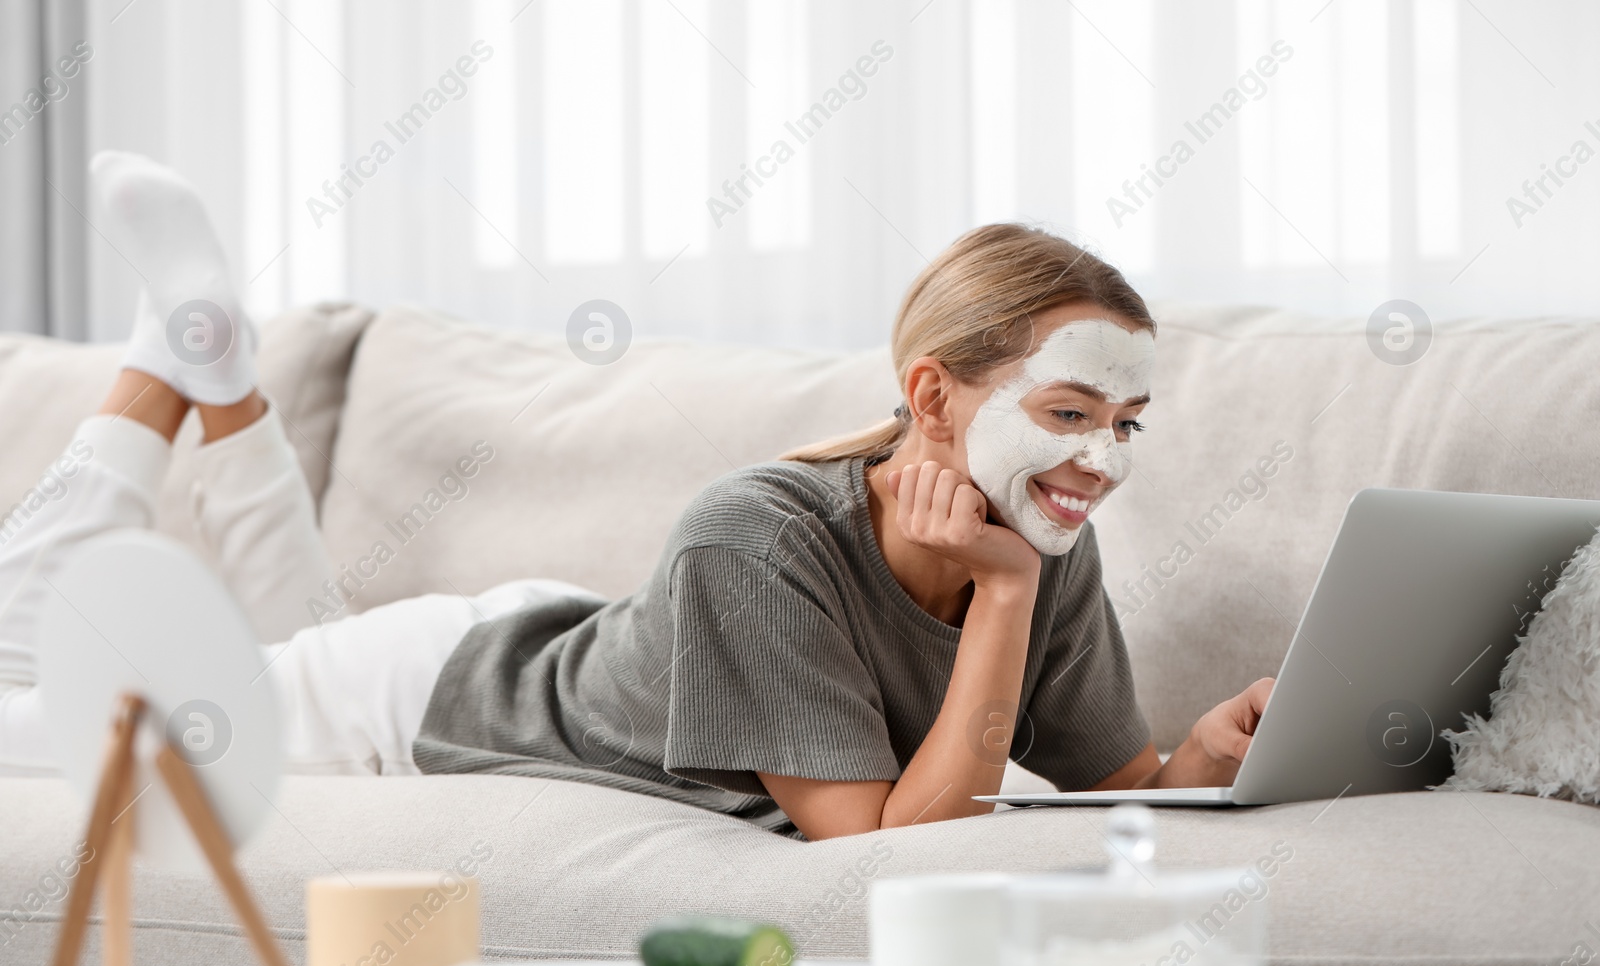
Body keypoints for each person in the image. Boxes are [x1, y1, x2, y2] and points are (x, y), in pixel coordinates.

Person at [0, 153, 1271, 841]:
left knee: (270, 640)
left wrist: (1199, 759)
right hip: (436, 691)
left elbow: (1109, 782)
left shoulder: (1047, 533)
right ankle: (159, 382)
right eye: (1066, 413)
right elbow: (885, 844)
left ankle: (216, 379)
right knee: (44, 712)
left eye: (1125, 424)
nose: (1101, 461)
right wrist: (1004, 590)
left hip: (586, 644)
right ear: (931, 396)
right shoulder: (759, 532)